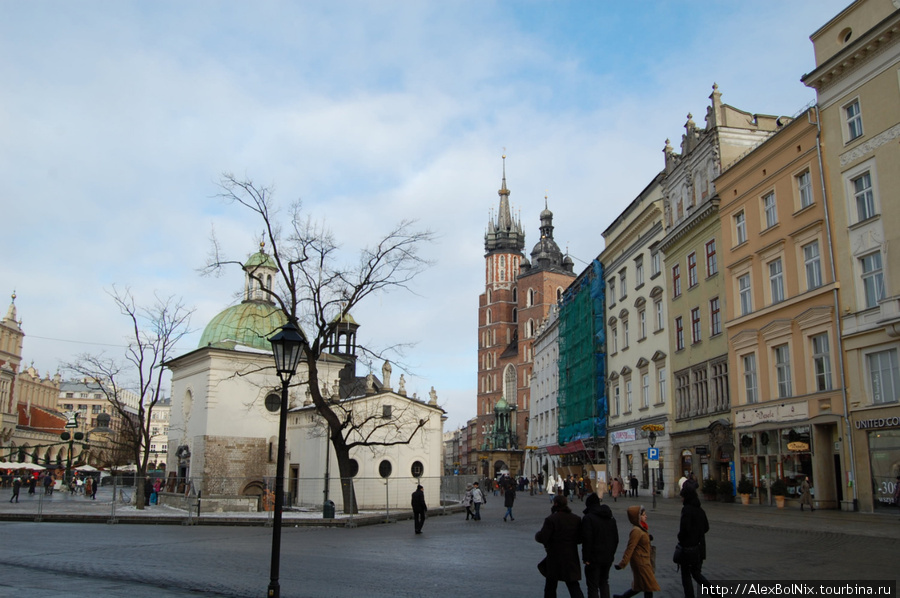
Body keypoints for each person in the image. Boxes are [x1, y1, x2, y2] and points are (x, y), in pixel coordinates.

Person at [535, 495, 585, 598]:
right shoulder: (576, 519)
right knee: (573, 584)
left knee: (551, 585)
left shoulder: (551, 519)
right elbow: (580, 539)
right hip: (571, 556)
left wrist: (538, 536)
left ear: (556, 504)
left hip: (555, 555)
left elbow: (543, 537)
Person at [613, 506, 660, 598]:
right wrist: (622, 563)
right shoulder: (636, 530)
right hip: (641, 563)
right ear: (637, 517)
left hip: (644, 561)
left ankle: (622, 597)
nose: (646, 516)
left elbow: (641, 541)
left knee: (641, 586)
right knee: (648, 586)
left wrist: (648, 538)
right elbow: (630, 548)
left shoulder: (641, 528)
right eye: (643, 515)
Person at [581, 493, 618, 598]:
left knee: (593, 585)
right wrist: (611, 554)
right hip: (608, 557)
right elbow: (616, 539)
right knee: (604, 582)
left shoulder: (588, 518)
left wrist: (586, 557)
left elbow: (587, 539)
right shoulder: (610, 518)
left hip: (594, 558)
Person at [677, 486, 709, 598]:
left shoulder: (686, 510)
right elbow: (706, 527)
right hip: (699, 548)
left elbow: (684, 529)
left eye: (682, 497)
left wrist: (681, 538)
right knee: (696, 573)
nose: (681, 499)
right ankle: (714, 592)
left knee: (686, 575)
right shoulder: (700, 510)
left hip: (688, 548)